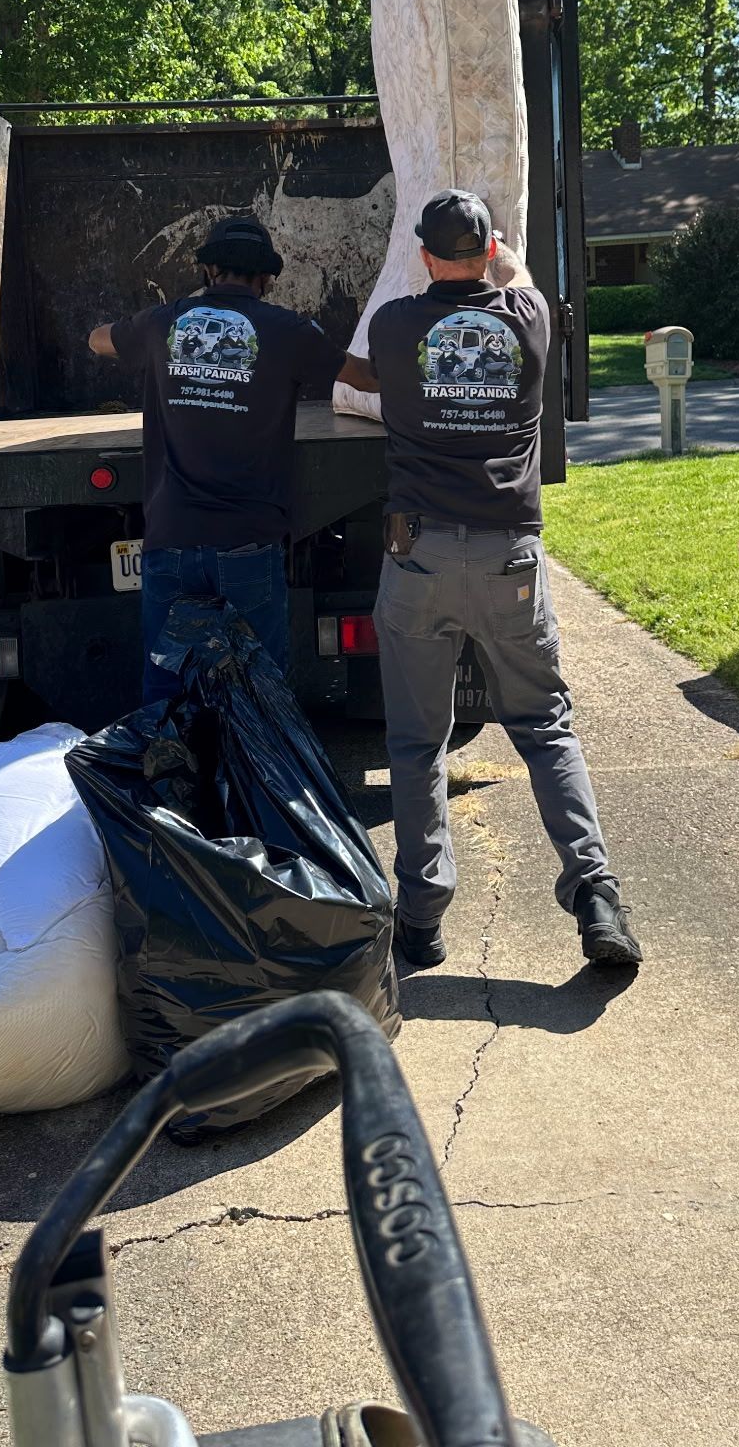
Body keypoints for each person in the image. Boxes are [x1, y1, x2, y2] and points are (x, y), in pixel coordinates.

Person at [347, 188, 642, 972]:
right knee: (543, 726)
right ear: (488, 250)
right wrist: (499, 252)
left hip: (418, 557)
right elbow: (516, 274)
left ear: (422, 256)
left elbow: (363, 374)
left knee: (418, 743)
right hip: (510, 556)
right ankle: (597, 896)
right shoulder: (530, 317)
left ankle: (422, 919)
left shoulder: (395, 325)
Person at [89, 214, 346, 695]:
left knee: (167, 688)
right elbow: (362, 376)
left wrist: (137, 334)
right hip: (248, 543)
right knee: (258, 690)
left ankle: (171, 746)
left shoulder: (163, 322)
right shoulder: (290, 331)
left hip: (171, 539)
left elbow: (98, 340)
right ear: (266, 277)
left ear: (209, 270)